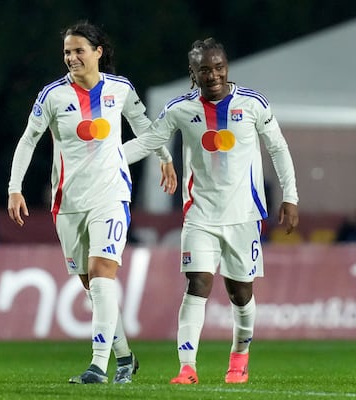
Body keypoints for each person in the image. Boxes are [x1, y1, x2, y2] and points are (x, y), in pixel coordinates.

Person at [7, 21, 177, 384]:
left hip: (111, 195)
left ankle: (98, 365)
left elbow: (144, 125)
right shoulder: (52, 95)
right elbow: (28, 140)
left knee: (102, 275)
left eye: (79, 50)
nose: (71, 57)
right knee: (91, 285)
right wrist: (14, 187)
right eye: (67, 51)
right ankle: (125, 357)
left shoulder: (121, 88)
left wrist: (164, 156)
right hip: (67, 202)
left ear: (98, 52)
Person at [124, 37, 299, 384]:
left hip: (244, 216)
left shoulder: (252, 104)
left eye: (219, 67)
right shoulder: (180, 109)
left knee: (241, 294)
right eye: (205, 69)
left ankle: (239, 358)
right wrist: (105, 161)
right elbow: (147, 141)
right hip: (200, 214)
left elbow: (278, 148)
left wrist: (290, 196)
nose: (214, 75)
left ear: (226, 67)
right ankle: (187, 368)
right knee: (198, 283)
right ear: (193, 73)